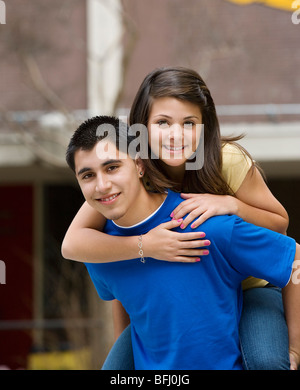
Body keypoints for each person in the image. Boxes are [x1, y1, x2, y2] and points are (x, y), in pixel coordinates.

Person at [62, 66, 290, 370]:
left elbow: (279, 224)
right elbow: (78, 246)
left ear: (205, 127)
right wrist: (147, 245)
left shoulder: (227, 161)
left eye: (189, 123)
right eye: (162, 122)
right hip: (176, 296)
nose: (175, 134)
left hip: (250, 283)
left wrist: (231, 205)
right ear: (140, 130)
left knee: (267, 361)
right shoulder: (126, 171)